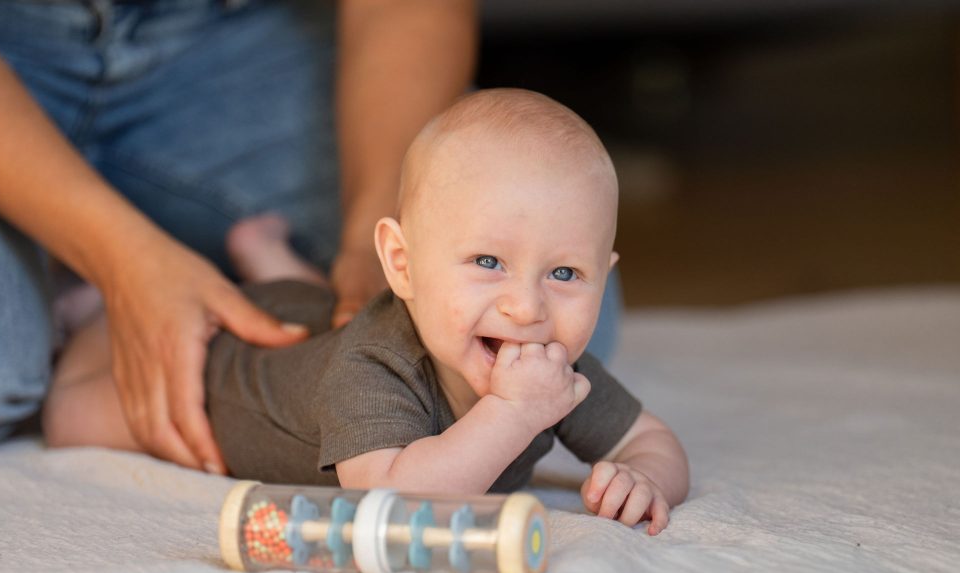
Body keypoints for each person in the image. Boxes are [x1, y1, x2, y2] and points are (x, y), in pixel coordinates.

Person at [43, 89, 689, 533]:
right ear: (401, 263)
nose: (527, 307)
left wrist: (646, 476)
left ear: (603, 274)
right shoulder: (375, 367)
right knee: (70, 417)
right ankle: (93, 310)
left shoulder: (547, 364)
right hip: (230, 371)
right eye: (488, 262)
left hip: (324, 318)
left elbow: (650, 440)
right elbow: (391, 499)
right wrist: (514, 413)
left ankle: (271, 257)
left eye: (566, 273)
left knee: (330, 308)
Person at [0, 0, 480, 470]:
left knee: (481, 211)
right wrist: (121, 260)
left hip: (225, 40)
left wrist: (370, 234)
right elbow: (407, 484)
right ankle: (91, 290)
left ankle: (91, 284)